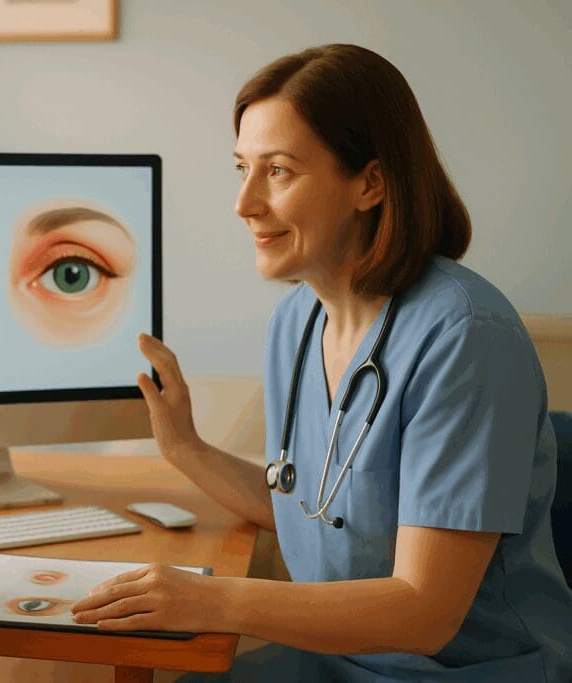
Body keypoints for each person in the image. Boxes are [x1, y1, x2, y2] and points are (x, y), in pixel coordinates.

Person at [71, 43, 572, 681]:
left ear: (370, 182)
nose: (244, 202)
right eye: (242, 168)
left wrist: (211, 599)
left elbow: (425, 612)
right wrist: (185, 447)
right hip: (336, 662)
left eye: (278, 171)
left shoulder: (467, 338)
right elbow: (316, 513)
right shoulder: (297, 322)